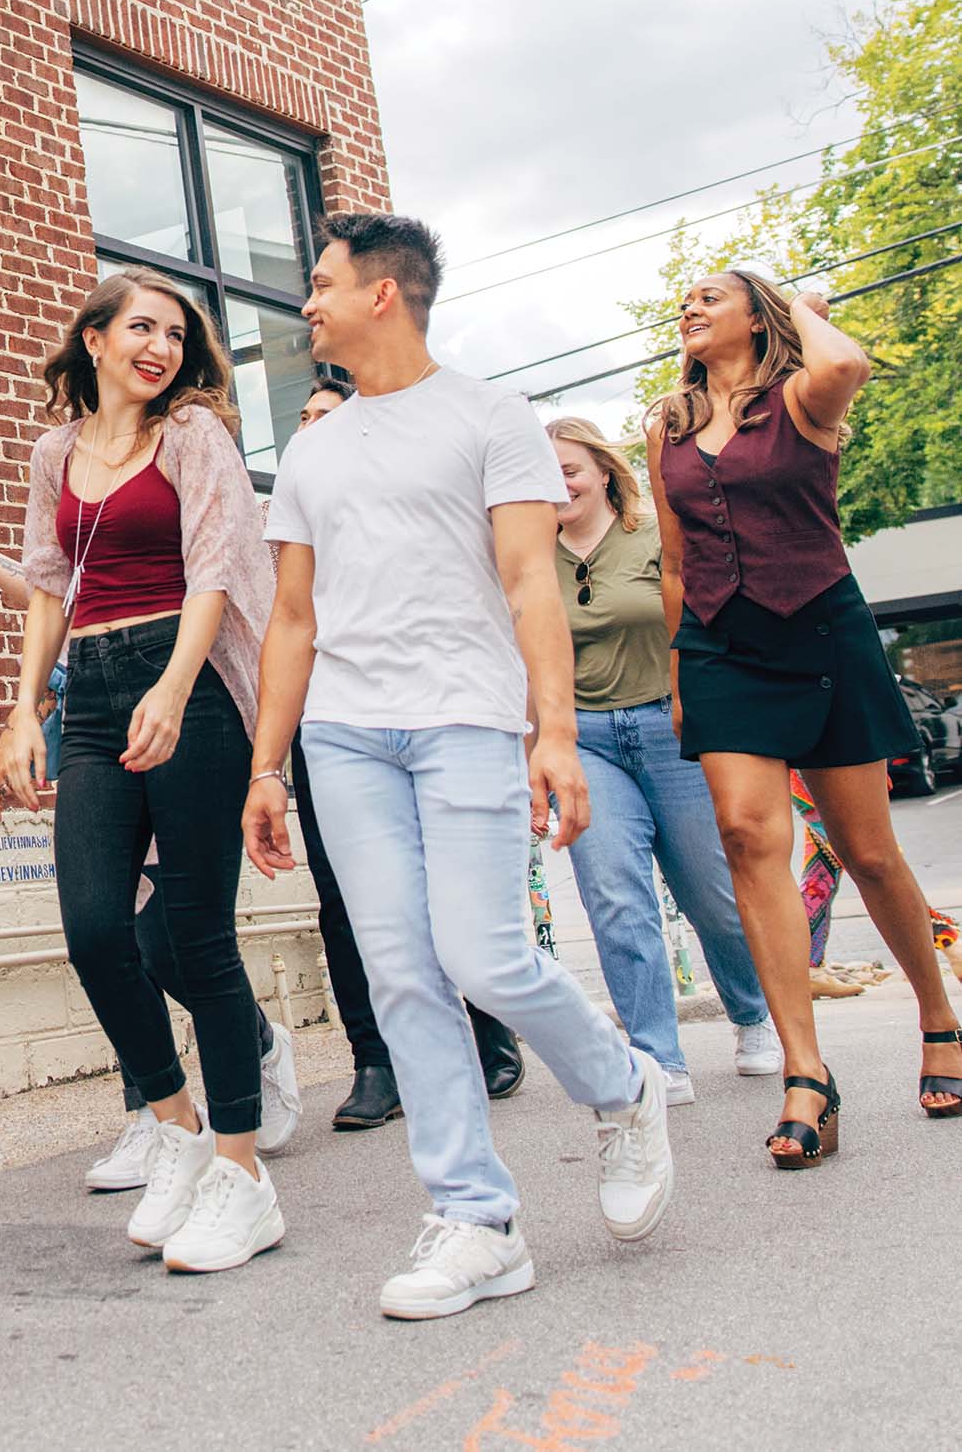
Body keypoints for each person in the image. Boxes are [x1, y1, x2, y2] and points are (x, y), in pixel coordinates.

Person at [242, 212, 674, 1323]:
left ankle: (619, 1086)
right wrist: (266, 766)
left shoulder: (489, 415)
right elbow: (291, 617)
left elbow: (531, 582)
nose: (307, 303)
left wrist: (554, 732)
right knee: (398, 974)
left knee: (481, 952)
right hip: (344, 732)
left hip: (465, 722)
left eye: (320, 284)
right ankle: (475, 1216)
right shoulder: (311, 449)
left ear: (381, 294)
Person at [0, 266, 283, 1274]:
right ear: (94, 340)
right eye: (140, 327)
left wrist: (174, 681)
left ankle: (243, 1176)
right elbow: (43, 586)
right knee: (92, 926)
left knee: (198, 934)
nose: (159, 346)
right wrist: (23, 710)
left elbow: (213, 567)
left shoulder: (194, 437)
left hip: (187, 682)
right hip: (91, 685)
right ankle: (175, 1122)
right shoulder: (53, 451)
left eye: (173, 331)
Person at [645, 269, 962, 1165]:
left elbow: (848, 359)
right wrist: (678, 671)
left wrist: (803, 307)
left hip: (822, 628)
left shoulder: (802, 396)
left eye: (712, 294)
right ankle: (805, 1072)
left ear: (758, 313)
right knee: (748, 835)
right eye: (685, 301)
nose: (690, 306)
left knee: (867, 851)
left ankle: (938, 1016)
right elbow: (672, 561)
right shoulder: (663, 424)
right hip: (718, 645)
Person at [0, 509, 301, 1186]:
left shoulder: (167, 519)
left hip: (175, 713)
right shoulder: (78, 528)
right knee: (108, 937)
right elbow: (41, 598)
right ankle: (154, 1116)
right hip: (92, 724)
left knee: (166, 941)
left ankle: (257, 1044)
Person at [286, 377, 524, 1123]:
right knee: (345, 902)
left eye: (325, 416)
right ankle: (375, 1060)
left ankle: (485, 1022)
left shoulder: (400, 489)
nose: (312, 429)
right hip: (330, 718)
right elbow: (283, 619)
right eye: (302, 419)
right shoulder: (294, 502)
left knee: (443, 893)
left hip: (431, 710)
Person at [545, 416, 781, 1097]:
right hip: (584, 737)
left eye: (569, 467)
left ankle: (752, 1012)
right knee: (615, 895)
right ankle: (655, 1054)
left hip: (669, 728)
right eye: (545, 471)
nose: (558, 482)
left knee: (711, 894)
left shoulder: (651, 538)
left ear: (602, 471)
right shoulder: (531, 556)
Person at [791, 770, 962, 993]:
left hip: (822, 767)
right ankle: (947, 937)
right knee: (870, 857)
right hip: (815, 768)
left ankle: (809, 965)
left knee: (824, 868)